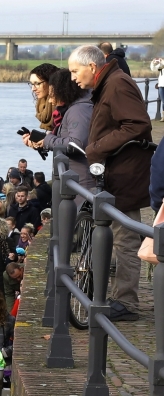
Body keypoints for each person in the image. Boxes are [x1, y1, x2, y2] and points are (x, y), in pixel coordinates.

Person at [72, 44, 155, 321]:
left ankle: (126, 303)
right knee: (120, 235)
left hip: (124, 174)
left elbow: (138, 124)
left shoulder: (117, 83)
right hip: (117, 172)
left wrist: (97, 148)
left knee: (125, 239)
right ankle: (119, 297)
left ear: (91, 66)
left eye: (75, 71)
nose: (73, 77)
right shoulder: (109, 83)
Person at [31, 68, 93, 195]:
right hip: (77, 176)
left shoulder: (77, 111)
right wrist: (48, 138)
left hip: (81, 179)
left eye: (52, 95)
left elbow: (76, 143)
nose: (50, 100)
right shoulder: (75, 109)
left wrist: (49, 140)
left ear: (63, 92)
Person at [29, 63, 59, 130]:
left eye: (37, 83)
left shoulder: (62, 108)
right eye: (32, 84)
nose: (33, 89)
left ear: (50, 82)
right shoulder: (41, 104)